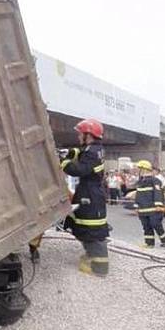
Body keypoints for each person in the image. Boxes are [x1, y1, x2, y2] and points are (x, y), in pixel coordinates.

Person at [60, 118, 109, 277]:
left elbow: (79, 170)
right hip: (90, 192)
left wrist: (65, 161)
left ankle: (100, 269)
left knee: (92, 229)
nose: (78, 136)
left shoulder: (92, 153)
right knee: (83, 226)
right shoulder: (95, 149)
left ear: (88, 135)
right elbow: (85, 155)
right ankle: (91, 255)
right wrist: (75, 151)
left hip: (90, 194)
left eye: (81, 134)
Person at [134, 160, 165, 248]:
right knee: (146, 226)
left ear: (144, 169)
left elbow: (158, 193)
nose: (137, 170)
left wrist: (158, 205)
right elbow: (138, 195)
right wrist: (136, 206)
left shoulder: (155, 181)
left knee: (156, 224)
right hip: (143, 209)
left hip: (153, 209)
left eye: (139, 169)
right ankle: (149, 243)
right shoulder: (140, 182)